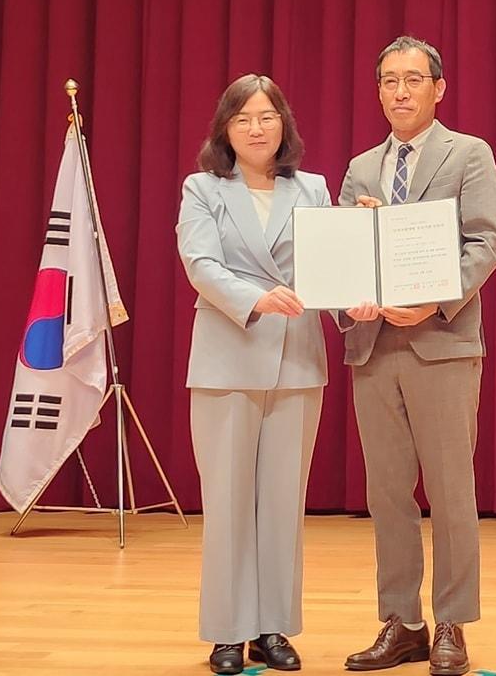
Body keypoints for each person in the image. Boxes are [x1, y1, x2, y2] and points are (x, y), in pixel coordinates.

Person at [339, 36, 496, 676]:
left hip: (441, 344)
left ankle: (453, 624)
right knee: (386, 494)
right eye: (388, 81)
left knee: (450, 489)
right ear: (378, 90)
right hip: (374, 346)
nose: (400, 92)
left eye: (413, 80)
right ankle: (402, 622)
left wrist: (433, 303)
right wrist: (348, 300)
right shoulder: (360, 167)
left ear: (439, 88)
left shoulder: (469, 155)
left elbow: (485, 243)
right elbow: (349, 252)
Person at [176, 74, 331, 675]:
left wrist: (367, 243)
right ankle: (225, 633)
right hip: (226, 359)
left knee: (283, 503)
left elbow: (334, 264)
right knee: (229, 502)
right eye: (244, 118)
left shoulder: (314, 189)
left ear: (284, 124)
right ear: (226, 129)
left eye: (267, 117)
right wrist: (256, 299)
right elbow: (200, 264)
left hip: (296, 363)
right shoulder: (203, 189)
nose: (257, 128)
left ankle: (272, 629)